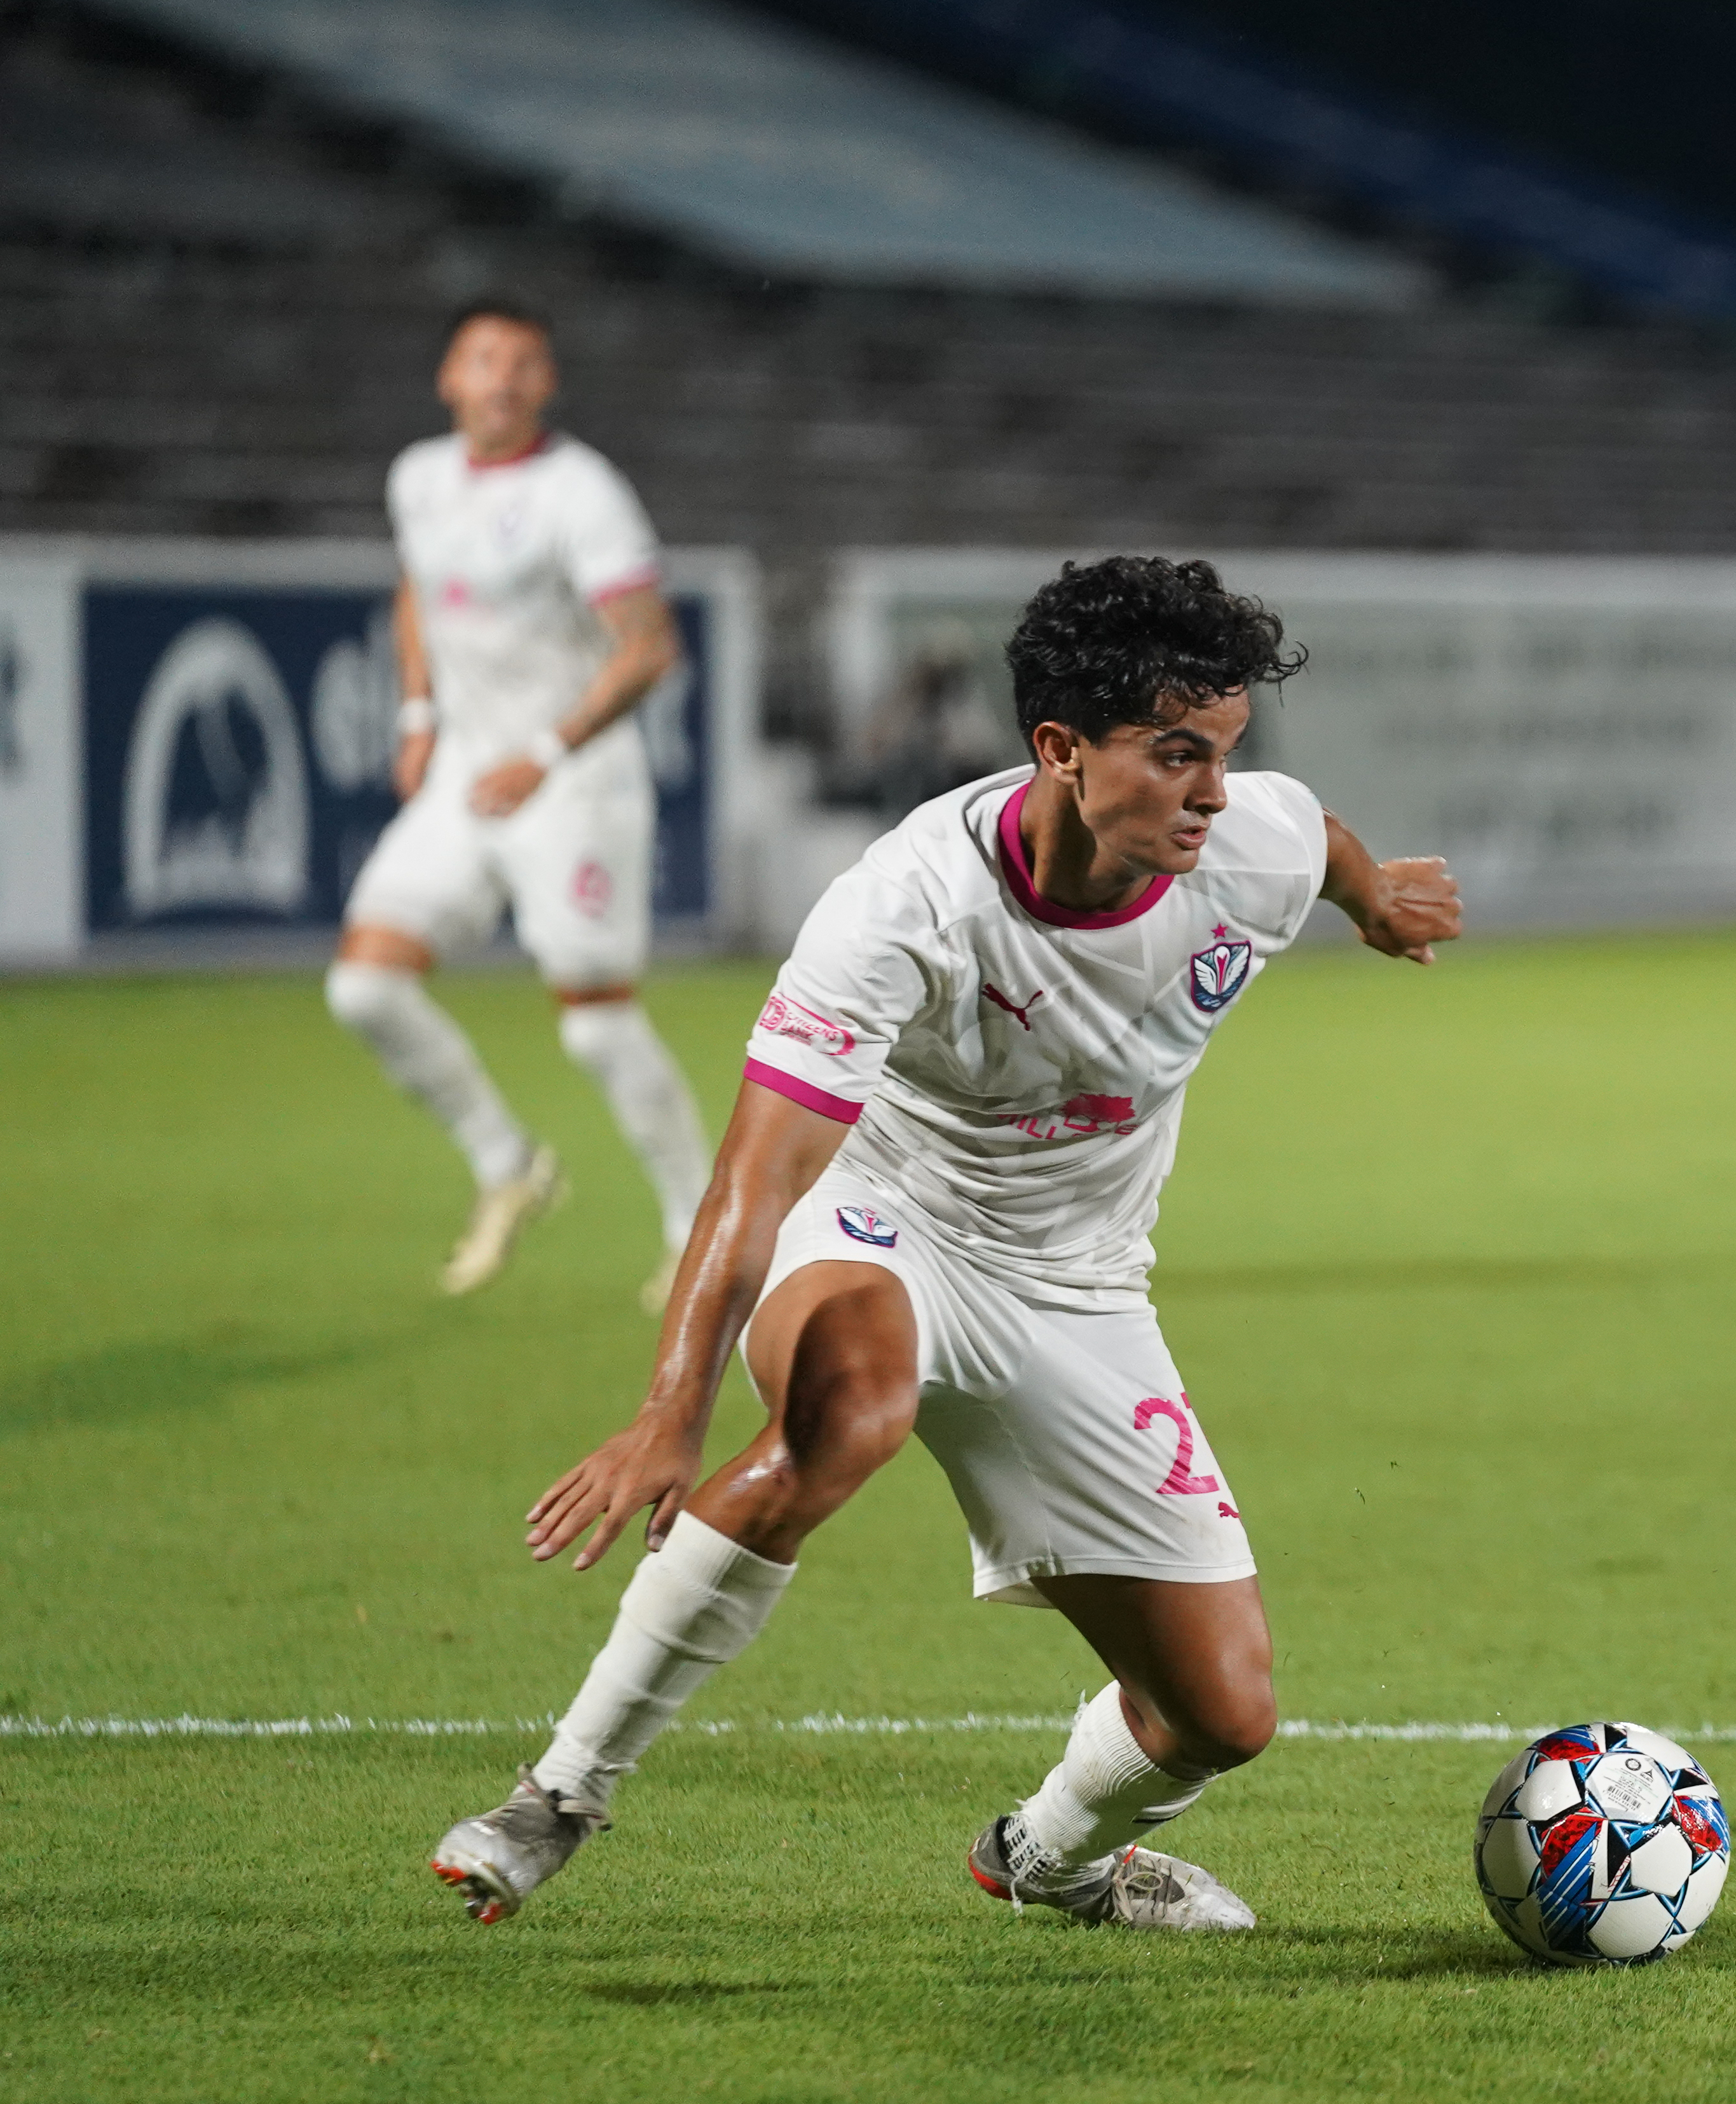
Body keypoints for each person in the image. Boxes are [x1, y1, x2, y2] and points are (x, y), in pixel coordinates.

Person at [428, 557, 1461, 1930]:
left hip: (1085, 1284)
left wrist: (1377, 896)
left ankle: (1052, 1857)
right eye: (1175, 755)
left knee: (1220, 1710)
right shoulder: (902, 905)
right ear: (1060, 749)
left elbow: (1314, 837)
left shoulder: (1248, 845)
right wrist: (668, 1412)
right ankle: (557, 1795)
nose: (1213, 790)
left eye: (1223, 751)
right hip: (888, 1219)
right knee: (849, 1407)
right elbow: (751, 1176)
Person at [325, 296, 712, 1306]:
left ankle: (698, 1228)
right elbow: (417, 586)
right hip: (466, 771)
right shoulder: (418, 476)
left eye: (522, 363)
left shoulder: (581, 493)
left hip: (573, 781)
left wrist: (546, 752)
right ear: (449, 376)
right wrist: (417, 715)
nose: (501, 378)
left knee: (593, 1021)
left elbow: (649, 647)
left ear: (546, 385)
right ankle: (507, 1165)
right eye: (482, 358)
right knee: (364, 987)